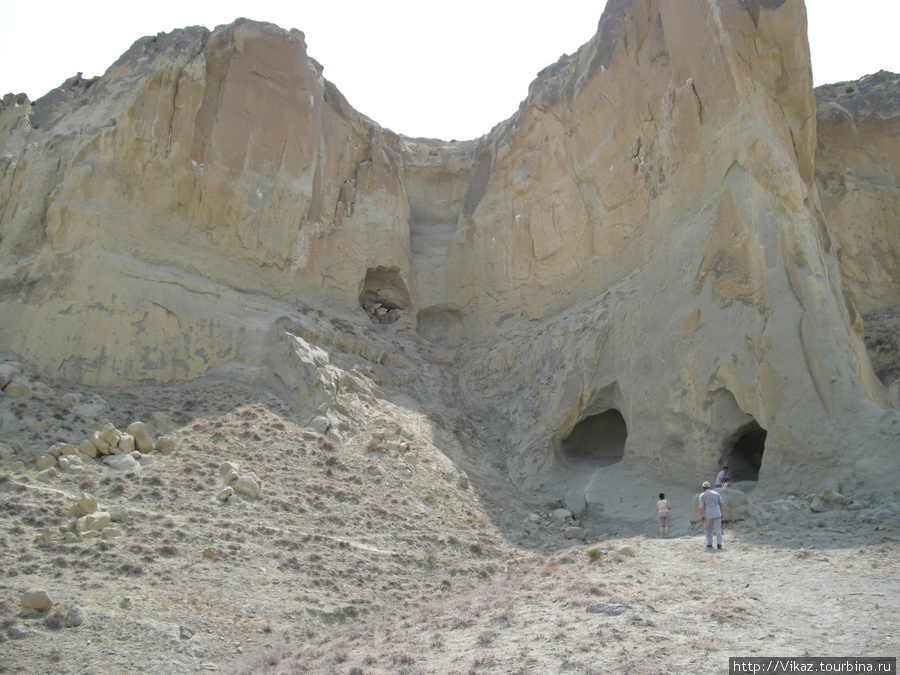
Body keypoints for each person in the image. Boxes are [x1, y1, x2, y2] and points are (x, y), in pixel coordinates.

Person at [698, 481, 725, 549]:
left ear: (703, 488)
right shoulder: (716, 494)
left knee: (707, 528)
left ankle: (709, 543)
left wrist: (702, 515)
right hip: (717, 512)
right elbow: (721, 503)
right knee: (718, 529)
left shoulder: (702, 495)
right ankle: (719, 544)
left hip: (708, 514)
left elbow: (701, 507)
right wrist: (721, 513)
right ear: (709, 487)